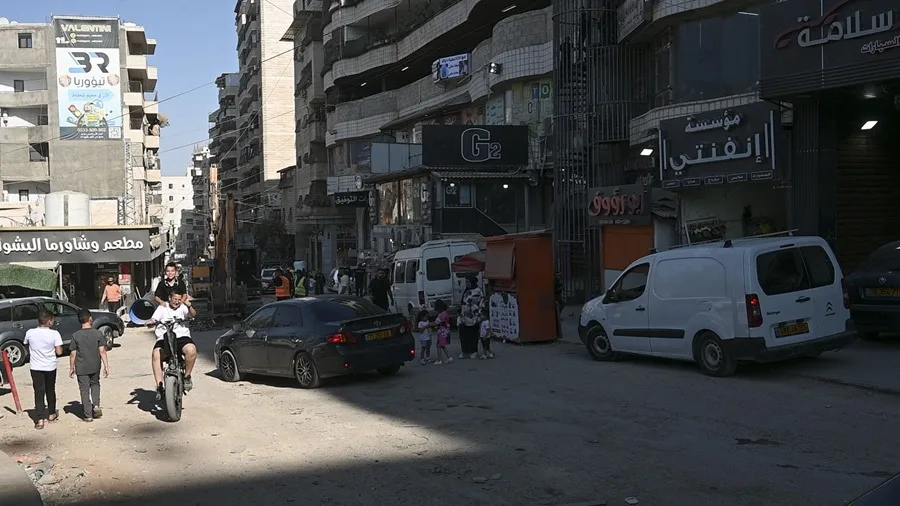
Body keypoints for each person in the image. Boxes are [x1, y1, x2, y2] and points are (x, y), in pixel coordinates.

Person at [147, 288, 198, 401]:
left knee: (191, 350)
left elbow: (193, 315)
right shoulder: (162, 307)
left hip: (181, 338)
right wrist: (151, 322)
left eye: (179, 300)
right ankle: (160, 386)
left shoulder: (183, 307)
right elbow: (153, 319)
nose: (177, 302)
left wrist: (189, 306)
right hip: (164, 338)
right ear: (170, 298)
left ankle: (187, 377)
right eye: (175, 299)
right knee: (156, 354)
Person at [24, 310, 63, 429]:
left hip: (35, 366)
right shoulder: (54, 334)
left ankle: (40, 419)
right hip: (50, 366)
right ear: (49, 321)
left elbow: (26, 344)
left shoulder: (30, 332)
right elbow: (59, 352)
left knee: (38, 392)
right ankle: (51, 413)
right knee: (50, 389)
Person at [69, 309, 109, 422]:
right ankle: (96, 405)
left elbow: (73, 354)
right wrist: (106, 366)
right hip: (95, 365)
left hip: (81, 367)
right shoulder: (97, 333)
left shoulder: (76, 335)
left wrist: (71, 368)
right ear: (90, 319)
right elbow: (102, 351)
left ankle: (88, 415)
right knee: (95, 384)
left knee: (84, 389)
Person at [457, 276, 483, 359]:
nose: (467, 284)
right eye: (466, 282)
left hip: (473, 317)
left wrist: (478, 315)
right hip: (464, 317)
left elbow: (480, 304)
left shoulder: (478, 291)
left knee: (473, 335)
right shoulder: (467, 291)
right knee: (463, 335)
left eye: (468, 282)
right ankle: (465, 351)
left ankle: (473, 351)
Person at [432, 300, 453, 365]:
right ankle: (449, 357)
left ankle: (439, 360)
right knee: (442, 345)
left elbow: (436, 323)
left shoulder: (440, 315)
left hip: (441, 331)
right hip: (446, 330)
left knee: (438, 345)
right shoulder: (446, 313)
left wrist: (428, 324)